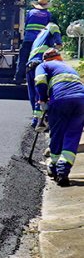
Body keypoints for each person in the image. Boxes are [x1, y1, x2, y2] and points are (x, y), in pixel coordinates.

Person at [34, 48, 84, 186]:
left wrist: (42, 100)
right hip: (81, 101)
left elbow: (40, 81)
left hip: (61, 100)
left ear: (46, 59)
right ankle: (64, 169)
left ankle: (55, 167)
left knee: (57, 133)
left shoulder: (43, 65)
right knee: (72, 135)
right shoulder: (68, 67)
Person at [24, 21, 63, 120]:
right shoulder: (53, 26)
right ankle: (43, 118)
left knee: (33, 94)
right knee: (42, 92)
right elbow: (58, 44)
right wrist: (57, 47)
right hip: (40, 64)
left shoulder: (39, 36)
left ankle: (36, 119)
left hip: (30, 66)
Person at [15, 0, 52, 83]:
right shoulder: (48, 14)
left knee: (23, 58)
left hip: (28, 39)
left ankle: (18, 78)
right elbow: (49, 27)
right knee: (39, 60)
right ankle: (38, 79)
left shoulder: (30, 12)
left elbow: (26, 24)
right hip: (40, 41)